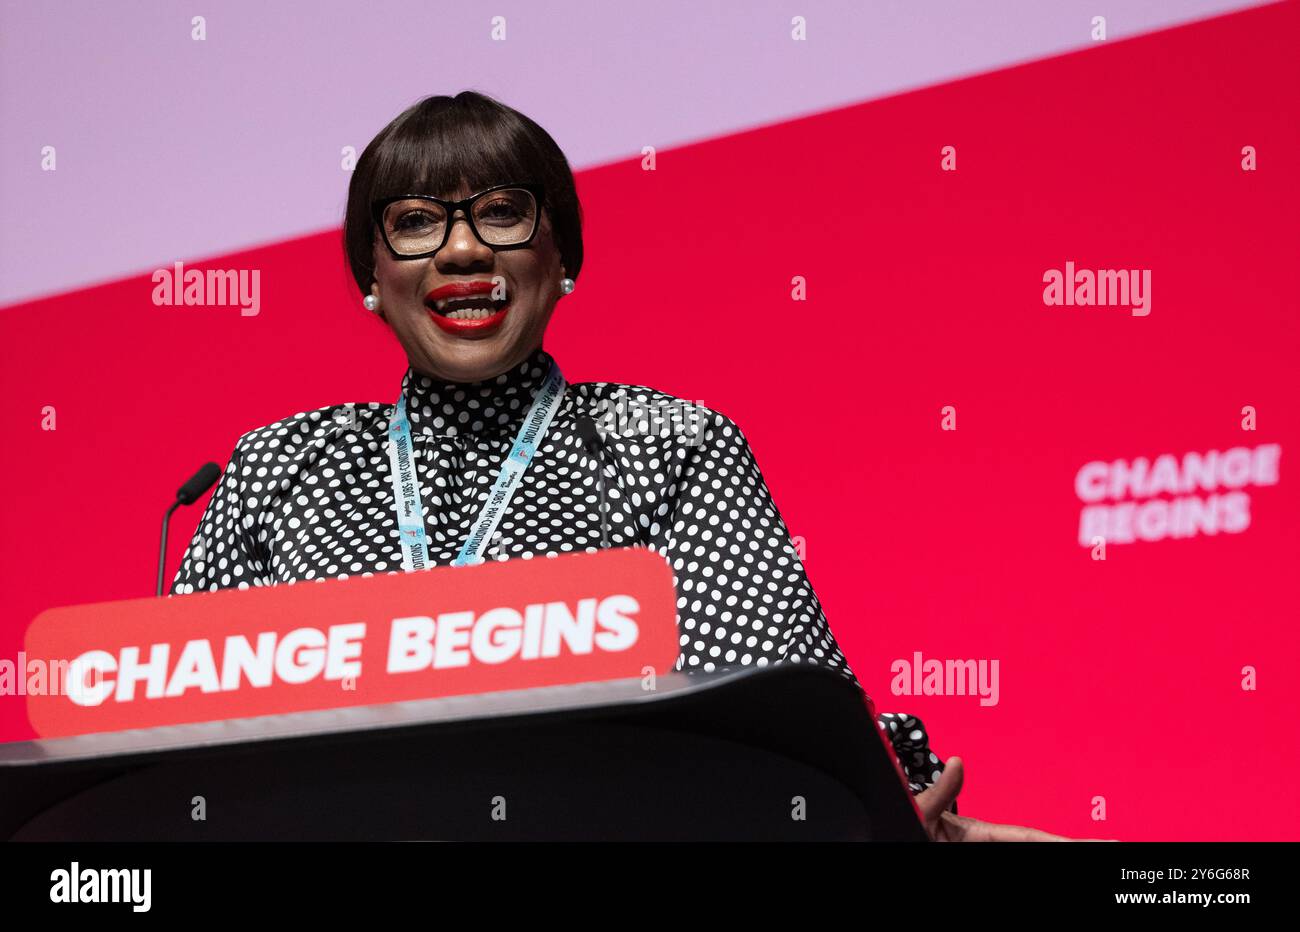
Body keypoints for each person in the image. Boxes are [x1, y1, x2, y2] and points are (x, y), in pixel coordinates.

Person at [170, 90, 1069, 841]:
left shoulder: (667, 445)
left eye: (502, 212)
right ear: (370, 275)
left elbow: (774, 720)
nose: (461, 249)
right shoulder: (278, 467)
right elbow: (165, 753)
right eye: (414, 223)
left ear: (562, 256)